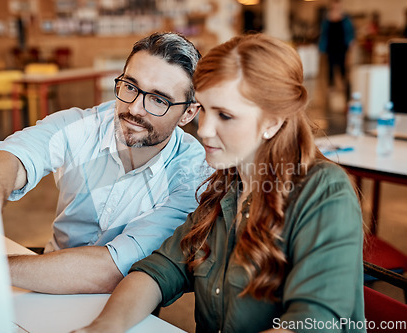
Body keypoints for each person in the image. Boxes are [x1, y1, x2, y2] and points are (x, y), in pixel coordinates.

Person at [74, 34, 365, 333]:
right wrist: (104, 327)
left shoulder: (325, 192)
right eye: (205, 110)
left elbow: (313, 323)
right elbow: (161, 269)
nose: (206, 130)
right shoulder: (226, 184)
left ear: (272, 122)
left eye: (225, 115)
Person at [0, 32, 210, 294]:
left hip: (126, 302)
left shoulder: (193, 174)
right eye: (130, 87)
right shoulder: (84, 125)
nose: (135, 109)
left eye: (158, 100)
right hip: (43, 279)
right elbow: (13, 156)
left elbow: (112, 271)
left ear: (188, 113)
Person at [318, 0, 355, 90]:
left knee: (342, 65)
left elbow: (350, 31)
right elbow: (323, 34)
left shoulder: (346, 19)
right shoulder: (326, 19)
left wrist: (351, 41)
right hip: (331, 46)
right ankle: (331, 85)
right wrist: (321, 46)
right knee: (330, 66)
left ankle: (343, 84)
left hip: (342, 45)